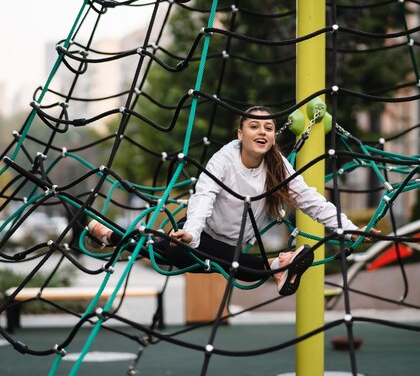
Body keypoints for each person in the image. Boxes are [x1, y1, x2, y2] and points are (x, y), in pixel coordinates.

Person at [88, 106, 378, 296]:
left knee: (227, 263)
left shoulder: (278, 167)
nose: (261, 132)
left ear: (273, 137)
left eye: (268, 128)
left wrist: (349, 228)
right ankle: (278, 265)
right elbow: (203, 197)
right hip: (198, 236)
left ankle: (110, 236)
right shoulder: (223, 160)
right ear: (241, 134)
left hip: (231, 247)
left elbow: (311, 201)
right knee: (165, 248)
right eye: (254, 126)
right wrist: (191, 232)